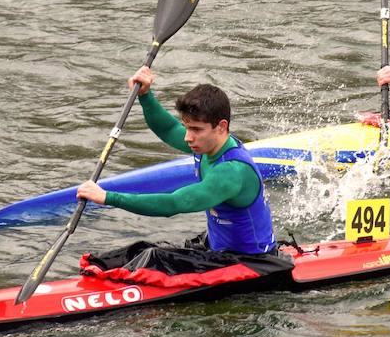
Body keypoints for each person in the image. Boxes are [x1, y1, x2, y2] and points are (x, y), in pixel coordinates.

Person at [74, 67, 292, 286]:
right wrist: (145, 95)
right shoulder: (208, 143)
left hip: (249, 263)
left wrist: (108, 197)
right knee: (140, 250)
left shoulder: (231, 172)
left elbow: (173, 203)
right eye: (187, 127)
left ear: (221, 126)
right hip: (220, 247)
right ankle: (96, 275)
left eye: (196, 129)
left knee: (154, 258)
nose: (188, 137)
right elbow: (168, 128)